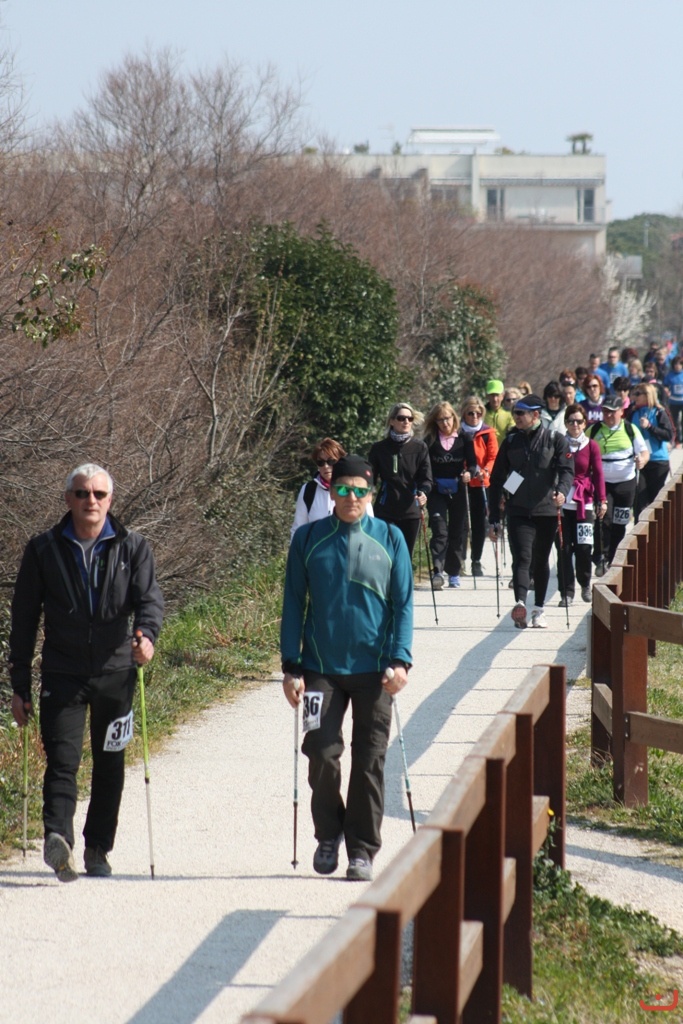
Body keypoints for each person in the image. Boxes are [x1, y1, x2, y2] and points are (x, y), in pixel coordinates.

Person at [9, 463, 164, 882]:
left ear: (110, 500)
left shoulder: (133, 547)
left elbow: (150, 602)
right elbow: (23, 620)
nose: (90, 500)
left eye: (98, 494)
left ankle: (98, 847)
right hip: (63, 674)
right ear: (68, 499)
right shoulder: (43, 549)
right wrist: (19, 685)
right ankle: (58, 839)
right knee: (62, 760)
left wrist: (147, 636)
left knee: (110, 763)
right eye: (81, 493)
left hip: (117, 673)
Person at [280, 455, 413, 883]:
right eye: (342, 489)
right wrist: (290, 665)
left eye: (359, 490)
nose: (350, 497)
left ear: (371, 494)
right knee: (321, 752)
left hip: (376, 671)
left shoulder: (390, 538)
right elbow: (292, 604)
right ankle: (328, 833)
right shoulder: (308, 539)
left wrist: (400, 659)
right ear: (331, 492)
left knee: (369, 760)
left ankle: (361, 849)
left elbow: (403, 604)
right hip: (320, 668)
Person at [487, 395, 574, 629]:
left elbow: (567, 471)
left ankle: (538, 609)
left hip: (546, 510)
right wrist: (494, 517)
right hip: (518, 510)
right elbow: (497, 479)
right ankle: (520, 604)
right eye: (514, 413)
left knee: (540, 560)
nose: (515, 417)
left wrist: (562, 491)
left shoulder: (555, 440)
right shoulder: (511, 441)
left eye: (520, 413)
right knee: (523, 557)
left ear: (535, 414)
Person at [589, 396, 649, 573]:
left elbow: (644, 452)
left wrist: (642, 461)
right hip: (602, 484)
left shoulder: (630, 429)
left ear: (621, 411)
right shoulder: (594, 430)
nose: (608, 415)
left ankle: (613, 557)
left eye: (612, 412)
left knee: (619, 522)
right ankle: (601, 557)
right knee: (603, 519)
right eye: (605, 411)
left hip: (625, 483)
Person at [368, 402, 432, 558]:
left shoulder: (420, 447)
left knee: (405, 557)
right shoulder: (379, 448)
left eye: (410, 418)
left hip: (410, 511)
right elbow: (369, 479)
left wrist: (423, 492)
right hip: (385, 510)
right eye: (401, 418)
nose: (406, 422)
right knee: (385, 556)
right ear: (392, 421)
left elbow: (426, 479)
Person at [422, 402, 475, 589]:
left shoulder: (465, 437)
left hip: (458, 489)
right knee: (439, 530)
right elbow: (424, 467)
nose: (445, 423)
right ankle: (437, 571)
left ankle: (454, 572)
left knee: (456, 531)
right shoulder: (429, 440)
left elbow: (473, 464)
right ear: (435, 422)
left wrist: (469, 473)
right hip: (436, 490)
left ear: (454, 417)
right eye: (440, 420)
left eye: (447, 418)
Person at [558, 405, 606, 605]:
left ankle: (585, 583)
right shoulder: (559, 443)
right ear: (566, 423)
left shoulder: (591, 445)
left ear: (585, 423)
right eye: (571, 421)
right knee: (564, 549)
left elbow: (598, 473)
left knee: (584, 548)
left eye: (579, 421)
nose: (575, 425)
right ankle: (566, 592)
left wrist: (602, 500)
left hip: (583, 502)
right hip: (562, 504)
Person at [460, 395, 499, 577]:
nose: (474, 416)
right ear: (464, 414)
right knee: (461, 523)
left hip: (482, 482)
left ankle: (476, 559)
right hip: (463, 482)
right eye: (470, 413)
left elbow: (493, 456)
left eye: (478, 413)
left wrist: (486, 471)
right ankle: (459, 560)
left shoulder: (487, 432)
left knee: (478, 524)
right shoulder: (458, 432)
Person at [628, 382, 673, 519]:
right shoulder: (633, 412)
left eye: (638, 394)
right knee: (640, 500)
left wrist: (650, 427)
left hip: (657, 461)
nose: (634, 397)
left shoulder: (659, 412)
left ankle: (657, 529)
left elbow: (668, 435)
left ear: (647, 395)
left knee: (655, 500)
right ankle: (639, 528)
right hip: (640, 462)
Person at [291, 437, 350, 540]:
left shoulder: (354, 487)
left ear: (340, 461)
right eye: (321, 462)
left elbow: (369, 526)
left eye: (331, 461)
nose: (326, 466)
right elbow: (298, 530)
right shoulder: (308, 490)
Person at [484, 379, 514, 446]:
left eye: (497, 395)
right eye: (492, 395)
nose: (495, 399)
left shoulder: (509, 414)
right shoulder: (481, 414)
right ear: (487, 396)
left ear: (502, 396)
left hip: (504, 450)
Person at [663, 355, 683, 445]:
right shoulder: (670, 375)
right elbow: (665, 385)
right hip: (674, 401)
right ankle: (677, 439)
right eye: (675, 364)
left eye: (679, 364)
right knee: (674, 421)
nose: (677, 366)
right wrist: (666, 389)